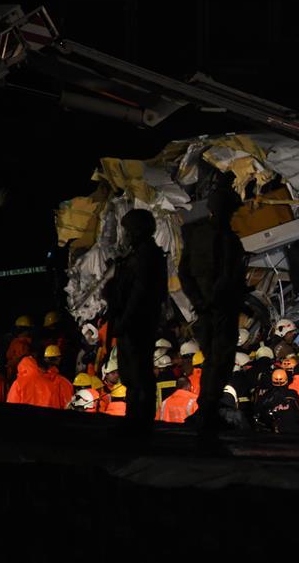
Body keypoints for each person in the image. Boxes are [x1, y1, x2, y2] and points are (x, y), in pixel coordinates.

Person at [178, 186, 247, 441]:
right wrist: (215, 299)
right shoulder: (228, 240)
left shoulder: (195, 235)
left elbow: (184, 273)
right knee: (220, 360)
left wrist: (198, 299)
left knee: (213, 360)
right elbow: (230, 276)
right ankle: (208, 410)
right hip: (221, 309)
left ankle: (207, 409)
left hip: (205, 308)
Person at [107, 208, 167, 435]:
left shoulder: (146, 256)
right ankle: (136, 418)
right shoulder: (139, 256)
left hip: (137, 324)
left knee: (137, 373)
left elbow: (139, 294)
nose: (126, 234)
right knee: (132, 373)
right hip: (135, 323)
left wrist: (124, 321)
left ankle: (139, 420)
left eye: (128, 230)